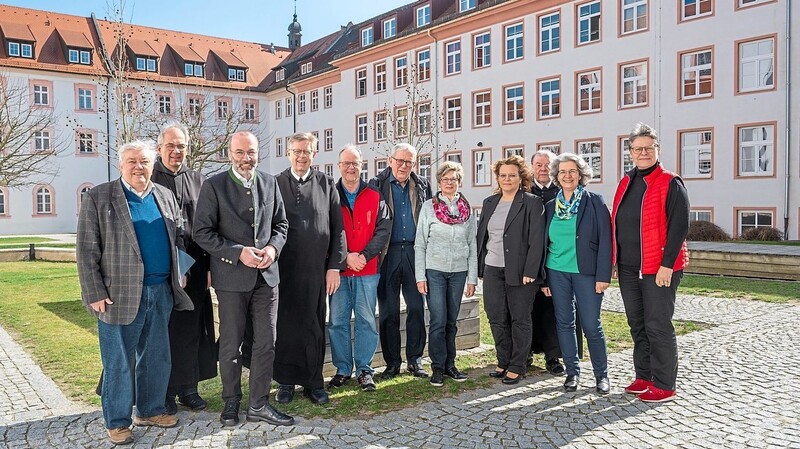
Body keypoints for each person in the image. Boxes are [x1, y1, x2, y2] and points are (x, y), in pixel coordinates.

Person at [77, 140, 193, 445]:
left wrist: (182, 268)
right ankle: (117, 421)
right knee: (118, 361)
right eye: (132, 161)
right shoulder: (100, 197)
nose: (138, 167)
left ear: (152, 164)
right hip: (118, 294)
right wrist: (94, 291)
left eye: (144, 161)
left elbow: (179, 236)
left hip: (161, 290)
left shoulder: (164, 196)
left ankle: (150, 409)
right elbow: (86, 249)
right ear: (120, 164)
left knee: (156, 356)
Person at [193, 131, 293, 427]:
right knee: (231, 344)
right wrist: (238, 253)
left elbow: (281, 224)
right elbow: (202, 233)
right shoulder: (214, 186)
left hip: (266, 278)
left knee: (266, 343)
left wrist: (273, 249)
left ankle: (259, 404)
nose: (245, 158)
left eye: (250, 152)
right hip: (231, 278)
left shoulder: (269, 182)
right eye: (239, 152)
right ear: (229, 153)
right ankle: (231, 401)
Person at [612, 123, 690, 403]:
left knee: (657, 324)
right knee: (637, 324)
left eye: (649, 147)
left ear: (658, 149)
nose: (643, 152)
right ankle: (644, 376)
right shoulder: (626, 181)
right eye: (637, 148)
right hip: (630, 268)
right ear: (630, 152)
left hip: (659, 267)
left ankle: (665, 384)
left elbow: (680, 226)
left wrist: (667, 265)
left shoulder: (671, 181)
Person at [273, 132, 347, 405]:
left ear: (314, 154)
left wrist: (334, 267)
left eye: (306, 151)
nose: (301, 156)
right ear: (288, 153)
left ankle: (314, 382)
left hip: (316, 270)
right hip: (284, 270)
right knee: (285, 325)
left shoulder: (327, 184)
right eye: (296, 151)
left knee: (314, 325)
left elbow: (338, 228)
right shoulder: (276, 184)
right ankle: (285, 382)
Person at [153, 123, 217, 414]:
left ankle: (188, 388)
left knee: (192, 328)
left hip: (195, 264)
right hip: (160, 266)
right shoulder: (148, 177)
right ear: (159, 148)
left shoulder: (199, 180)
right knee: (163, 331)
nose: (176, 151)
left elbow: (210, 226)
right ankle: (164, 391)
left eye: (181, 146)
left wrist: (209, 267)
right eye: (171, 146)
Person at [541, 153, 611, 394]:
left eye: (572, 171)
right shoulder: (551, 206)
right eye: (562, 172)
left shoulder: (594, 201)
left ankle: (602, 375)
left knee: (592, 325)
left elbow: (606, 241)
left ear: (581, 175)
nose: (567, 175)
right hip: (556, 271)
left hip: (587, 273)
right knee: (565, 323)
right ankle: (572, 372)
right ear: (556, 177)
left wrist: (604, 275)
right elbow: (543, 243)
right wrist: (544, 278)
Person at [476, 155, 545, 385]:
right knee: (495, 316)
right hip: (492, 269)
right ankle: (503, 360)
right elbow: (482, 237)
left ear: (521, 177)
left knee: (520, 318)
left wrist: (531, 271)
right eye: (503, 175)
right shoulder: (489, 202)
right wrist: (479, 267)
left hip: (520, 271)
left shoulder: (532, 202)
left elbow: (537, 241)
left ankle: (518, 364)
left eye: (512, 175)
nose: (507, 179)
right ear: (498, 177)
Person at [328, 145, 391, 392]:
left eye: (355, 163)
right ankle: (343, 369)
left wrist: (363, 256)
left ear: (362, 166)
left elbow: (383, 230)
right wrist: (345, 259)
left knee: (366, 320)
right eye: (346, 163)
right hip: (339, 271)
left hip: (367, 269)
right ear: (339, 166)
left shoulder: (375, 195)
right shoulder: (330, 196)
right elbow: (329, 233)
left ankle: (364, 370)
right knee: (337, 321)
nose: (351, 167)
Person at [369, 143, 432, 379]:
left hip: (415, 252)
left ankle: (415, 360)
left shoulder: (422, 185)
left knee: (417, 308)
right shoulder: (378, 185)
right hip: (388, 253)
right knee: (388, 311)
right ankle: (392, 362)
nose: (404, 166)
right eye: (401, 161)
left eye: (410, 162)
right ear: (390, 160)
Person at [414, 161, 477, 387]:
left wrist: (472, 278)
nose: (449, 183)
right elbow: (420, 244)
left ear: (459, 182)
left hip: (459, 272)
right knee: (438, 319)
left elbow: (472, 244)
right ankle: (437, 367)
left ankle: (451, 364)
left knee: (452, 321)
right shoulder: (429, 207)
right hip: (435, 271)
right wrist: (420, 276)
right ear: (439, 182)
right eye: (445, 179)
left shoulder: (467, 210)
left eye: (454, 179)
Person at [528, 150, 567, 375]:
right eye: (539, 164)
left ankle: (553, 356)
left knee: (553, 308)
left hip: (555, 260)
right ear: (532, 167)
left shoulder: (562, 193)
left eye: (547, 164)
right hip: (529, 261)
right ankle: (527, 352)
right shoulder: (524, 192)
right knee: (528, 308)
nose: (543, 169)